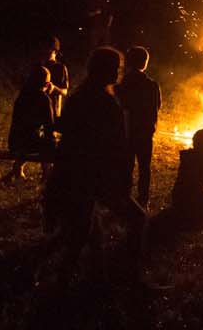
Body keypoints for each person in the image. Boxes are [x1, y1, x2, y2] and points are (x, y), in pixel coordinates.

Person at [44, 46, 146, 285]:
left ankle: (82, 280)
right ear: (106, 70)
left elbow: (68, 133)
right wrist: (120, 179)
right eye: (116, 68)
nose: (119, 72)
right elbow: (114, 145)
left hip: (77, 174)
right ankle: (129, 276)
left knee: (84, 232)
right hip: (97, 176)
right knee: (137, 219)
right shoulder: (105, 103)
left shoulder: (79, 97)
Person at [152, 129, 203, 233]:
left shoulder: (189, 157)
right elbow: (196, 192)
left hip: (178, 199)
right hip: (190, 204)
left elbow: (196, 186)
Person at [116, 45, 162, 208]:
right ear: (145, 64)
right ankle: (143, 200)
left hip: (127, 132)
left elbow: (121, 107)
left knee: (126, 167)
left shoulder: (123, 84)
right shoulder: (152, 85)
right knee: (144, 167)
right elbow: (158, 106)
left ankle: (124, 197)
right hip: (145, 132)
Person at [8, 66, 54, 181]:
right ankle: (47, 173)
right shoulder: (44, 98)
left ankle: (18, 168)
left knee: (32, 139)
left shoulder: (22, 95)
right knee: (48, 144)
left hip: (14, 141)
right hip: (29, 143)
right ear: (46, 83)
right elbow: (49, 125)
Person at [40, 36, 71, 124]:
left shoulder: (60, 68)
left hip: (53, 110)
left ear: (55, 51)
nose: (45, 52)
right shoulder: (40, 67)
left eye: (49, 50)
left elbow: (65, 91)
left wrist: (54, 88)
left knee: (51, 134)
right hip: (38, 109)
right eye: (44, 49)